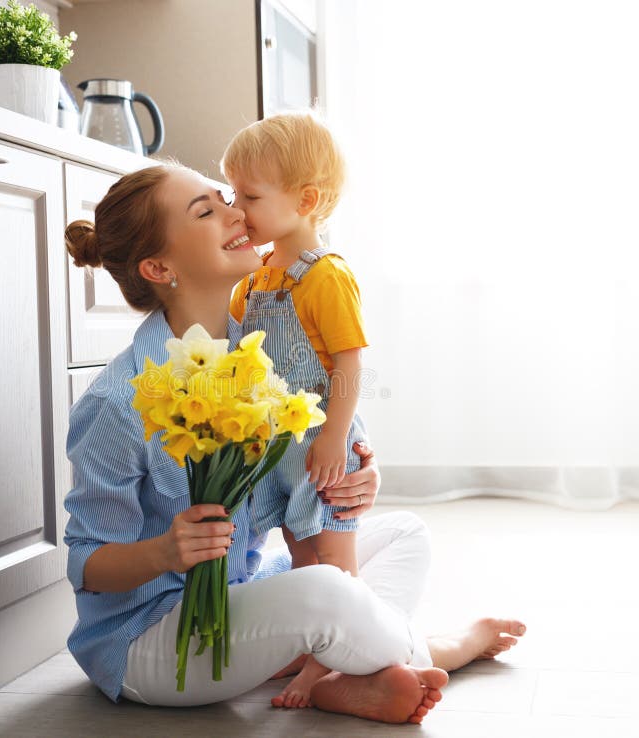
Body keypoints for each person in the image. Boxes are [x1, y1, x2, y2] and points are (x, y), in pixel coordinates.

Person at [63, 162, 526, 724]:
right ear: (160, 267)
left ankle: (335, 674)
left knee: (404, 533)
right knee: (326, 592)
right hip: (153, 638)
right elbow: (87, 563)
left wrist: (353, 474)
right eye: (207, 212)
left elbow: (304, 454)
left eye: (224, 198)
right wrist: (165, 552)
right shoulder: (120, 400)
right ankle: (443, 648)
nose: (237, 212)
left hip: (243, 586)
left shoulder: (263, 355)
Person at [222, 112, 367, 704]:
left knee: (333, 557)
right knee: (302, 553)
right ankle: (315, 649)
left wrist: (335, 437)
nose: (237, 209)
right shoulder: (253, 279)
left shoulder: (324, 277)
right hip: (275, 448)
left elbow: (350, 364)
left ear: (305, 200)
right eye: (232, 193)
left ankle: (343, 657)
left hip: (321, 443)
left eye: (249, 196)